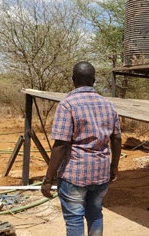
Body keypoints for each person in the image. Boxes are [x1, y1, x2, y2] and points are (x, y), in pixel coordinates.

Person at [41, 62, 122, 236]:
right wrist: (114, 166)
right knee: (95, 214)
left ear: (73, 80)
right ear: (94, 80)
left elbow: (61, 145)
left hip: (74, 175)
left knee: (74, 219)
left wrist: (48, 178)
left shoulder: (67, 104)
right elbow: (116, 139)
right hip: (101, 173)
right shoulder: (108, 105)